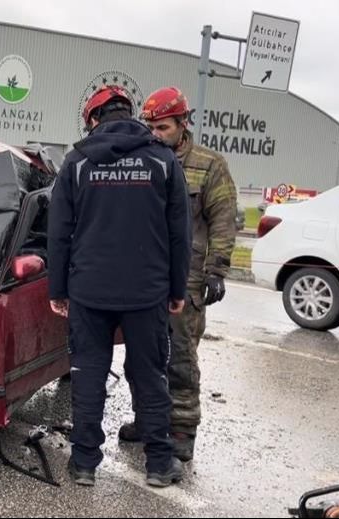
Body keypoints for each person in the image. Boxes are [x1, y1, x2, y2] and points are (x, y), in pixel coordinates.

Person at [47, 85, 191, 488]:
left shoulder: (77, 161)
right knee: (149, 375)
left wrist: (57, 290)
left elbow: (58, 233)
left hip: (89, 291)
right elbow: (180, 234)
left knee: (88, 373)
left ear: (94, 119)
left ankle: (83, 463)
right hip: (147, 291)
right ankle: (159, 463)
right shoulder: (163, 160)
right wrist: (177, 289)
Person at [119, 87, 238, 462]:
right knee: (140, 355)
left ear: (183, 123)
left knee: (180, 357)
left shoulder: (209, 165)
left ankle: (182, 428)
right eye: (151, 127)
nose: (156, 134)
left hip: (186, 277)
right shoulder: (141, 159)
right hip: (143, 275)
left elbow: (224, 219)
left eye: (164, 127)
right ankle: (148, 418)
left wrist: (217, 269)